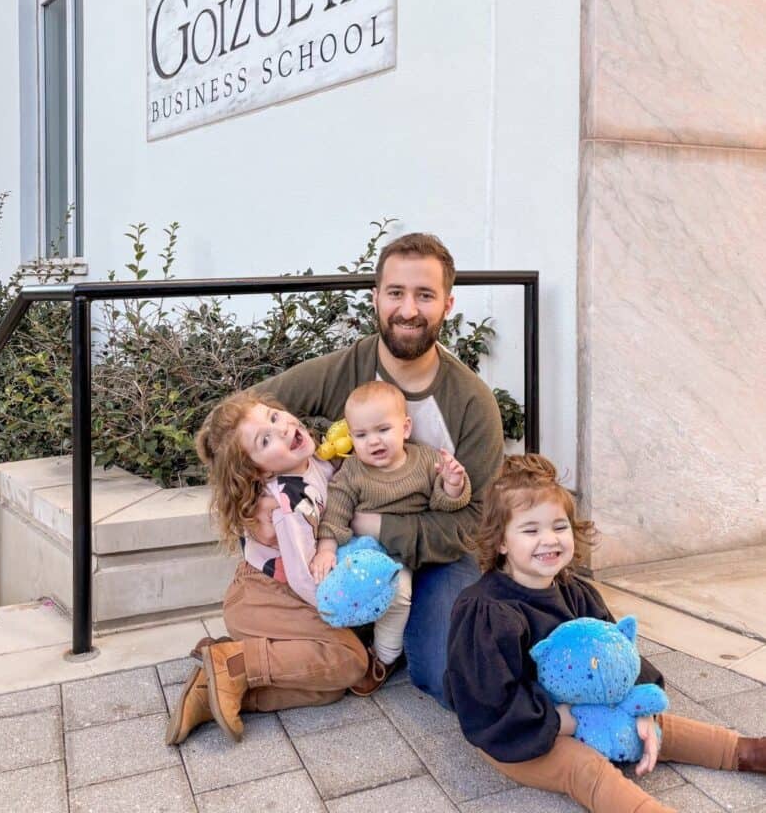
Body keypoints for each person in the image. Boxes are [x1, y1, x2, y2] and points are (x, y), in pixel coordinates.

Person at [258, 232, 504, 705]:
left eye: (425, 295)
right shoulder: (344, 372)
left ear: (448, 304)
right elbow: (230, 422)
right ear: (376, 298)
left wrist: (378, 525)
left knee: (444, 674)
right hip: (347, 549)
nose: (408, 309)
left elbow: (477, 522)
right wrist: (252, 500)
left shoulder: (471, 403)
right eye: (396, 293)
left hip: (442, 556)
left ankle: (414, 634)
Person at [444, 454, 766, 813]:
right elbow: (485, 699)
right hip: (520, 729)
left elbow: (618, 651)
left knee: (657, 726)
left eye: (559, 526)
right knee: (584, 768)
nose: (549, 540)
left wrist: (640, 710)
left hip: (587, 707)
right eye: (530, 530)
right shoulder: (487, 610)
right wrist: (566, 720)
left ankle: (745, 751)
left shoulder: (575, 590)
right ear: (501, 541)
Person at [165, 390, 368, 746]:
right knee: (349, 661)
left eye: (274, 417)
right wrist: (341, 617)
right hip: (263, 598)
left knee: (327, 689)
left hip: (279, 594)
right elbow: (306, 579)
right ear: (259, 469)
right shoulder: (288, 506)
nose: (283, 428)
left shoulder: (315, 463)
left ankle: (218, 690)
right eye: (265, 439)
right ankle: (232, 662)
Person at [311, 380, 471, 695]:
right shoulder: (353, 471)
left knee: (398, 594)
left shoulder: (425, 460)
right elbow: (337, 512)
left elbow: (444, 504)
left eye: (383, 430)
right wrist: (326, 549)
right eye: (361, 435)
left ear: (406, 428)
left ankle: (385, 654)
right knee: (343, 584)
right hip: (363, 548)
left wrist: (453, 482)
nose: (373, 442)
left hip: (403, 551)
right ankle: (347, 639)